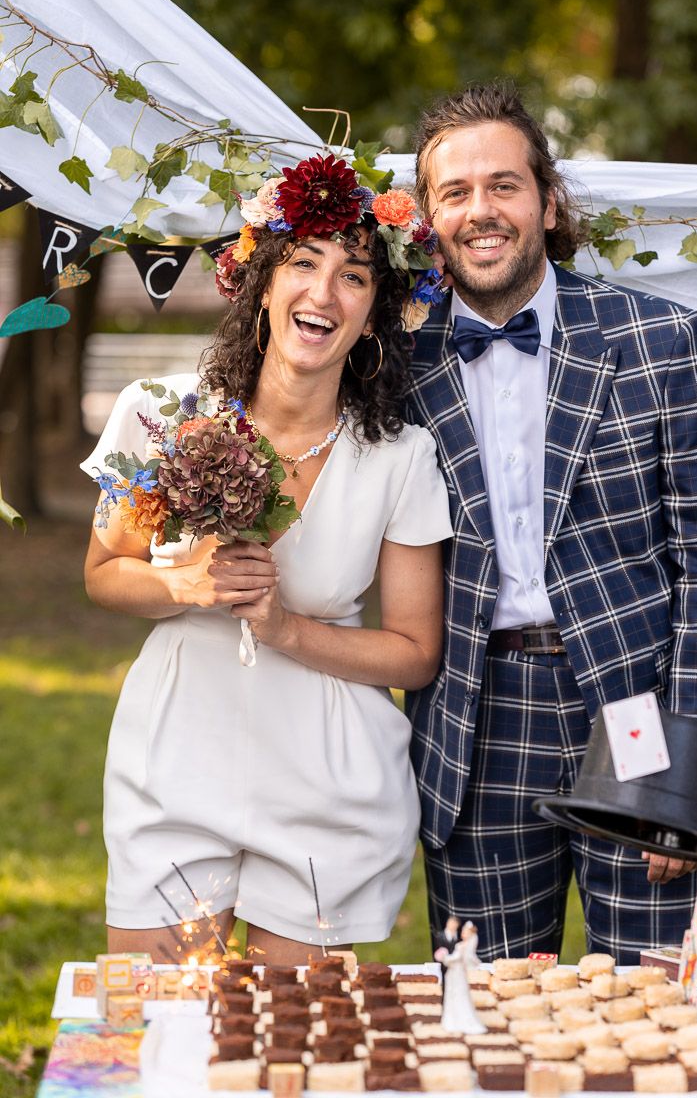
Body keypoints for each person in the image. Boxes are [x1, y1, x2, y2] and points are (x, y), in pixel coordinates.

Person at [405, 82, 697, 964]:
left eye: (504, 185)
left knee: (651, 999)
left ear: (548, 201)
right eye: (455, 192)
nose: (481, 210)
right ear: (430, 217)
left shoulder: (659, 339)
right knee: (485, 1016)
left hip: (637, 712)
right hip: (476, 724)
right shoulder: (395, 363)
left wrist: (693, 755)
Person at [81, 154, 452, 965]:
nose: (323, 293)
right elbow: (103, 572)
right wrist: (184, 581)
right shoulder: (160, 414)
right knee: (154, 1042)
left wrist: (284, 627)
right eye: (304, 263)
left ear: (376, 315)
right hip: (175, 759)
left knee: (297, 1061)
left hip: (330, 784)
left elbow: (415, 654)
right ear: (262, 281)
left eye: (354, 276)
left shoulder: (402, 457)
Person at [438, 921, 486, 1034]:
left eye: (465, 932)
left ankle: (458, 1019)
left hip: (457, 972)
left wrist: (445, 958)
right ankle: (454, 1018)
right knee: (455, 993)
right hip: (455, 971)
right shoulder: (460, 945)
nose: (462, 933)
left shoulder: (462, 947)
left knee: (458, 993)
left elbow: (456, 958)